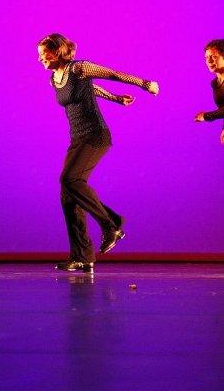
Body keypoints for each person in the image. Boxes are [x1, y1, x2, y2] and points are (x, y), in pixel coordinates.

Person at [37, 34, 159, 274]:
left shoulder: (79, 68)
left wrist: (145, 84)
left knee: (69, 179)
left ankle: (110, 224)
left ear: (57, 51)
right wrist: (115, 98)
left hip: (96, 135)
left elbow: (113, 74)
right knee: (68, 195)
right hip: (77, 139)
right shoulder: (54, 79)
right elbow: (90, 89)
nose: (40, 58)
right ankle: (82, 257)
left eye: (44, 53)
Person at [194, 39, 224, 144]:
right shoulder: (215, 83)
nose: (209, 61)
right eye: (207, 57)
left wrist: (206, 116)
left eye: (213, 56)